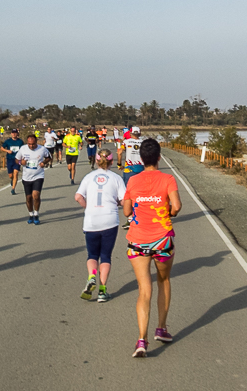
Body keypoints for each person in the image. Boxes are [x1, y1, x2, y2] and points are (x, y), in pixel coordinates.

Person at [122, 139, 180, 358]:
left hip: (137, 241)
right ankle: (161, 329)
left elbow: (127, 211)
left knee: (143, 290)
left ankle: (141, 340)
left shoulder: (133, 181)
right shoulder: (167, 179)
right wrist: (168, 213)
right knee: (163, 281)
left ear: (141, 159)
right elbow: (176, 206)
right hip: (162, 240)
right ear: (158, 156)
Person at [74, 149, 124, 303]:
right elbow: (124, 200)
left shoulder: (89, 177)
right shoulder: (116, 178)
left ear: (96, 161)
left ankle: (92, 276)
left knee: (92, 255)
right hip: (109, 220)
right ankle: (102, 290)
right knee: (106, 256)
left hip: (91, 221)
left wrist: (87, 207)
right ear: (111, 161)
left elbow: (78, 197)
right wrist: (117, 203)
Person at [15, 134, 51, 225]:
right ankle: (30, 214)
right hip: (26, 177)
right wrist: (20, 162)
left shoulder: (42, 149)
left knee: (36, 195)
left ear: (36, 142)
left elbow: (48, 158)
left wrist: (44, 163)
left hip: (38, 175)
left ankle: (36, 214)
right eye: (29, 144)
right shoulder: (23, 149)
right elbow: (16, 160)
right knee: (28, 197)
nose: (31, 146)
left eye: (33, 144)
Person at [119, 127, 144, 228]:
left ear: (130, 133)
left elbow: (120, 152)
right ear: (140, 133)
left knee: (128, 194)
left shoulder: (126, 142)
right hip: (141, 169)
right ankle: (141, 217)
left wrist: (119, 164)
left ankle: (130, 218)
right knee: (141, 193)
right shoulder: (143, 143)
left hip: (129, 169)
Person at [1, 129, 24, 195]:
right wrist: (7, 151)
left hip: (18, 159)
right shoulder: (8, 141)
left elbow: (23, 149)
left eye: (15, 133)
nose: (14, 134)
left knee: (16, 173)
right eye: (12, 133)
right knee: (10, 175)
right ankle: (12, 179)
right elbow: (2, 148)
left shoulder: (20, 141)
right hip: (9, 159)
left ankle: (13, 189)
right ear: (11, 134)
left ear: (17, 134)